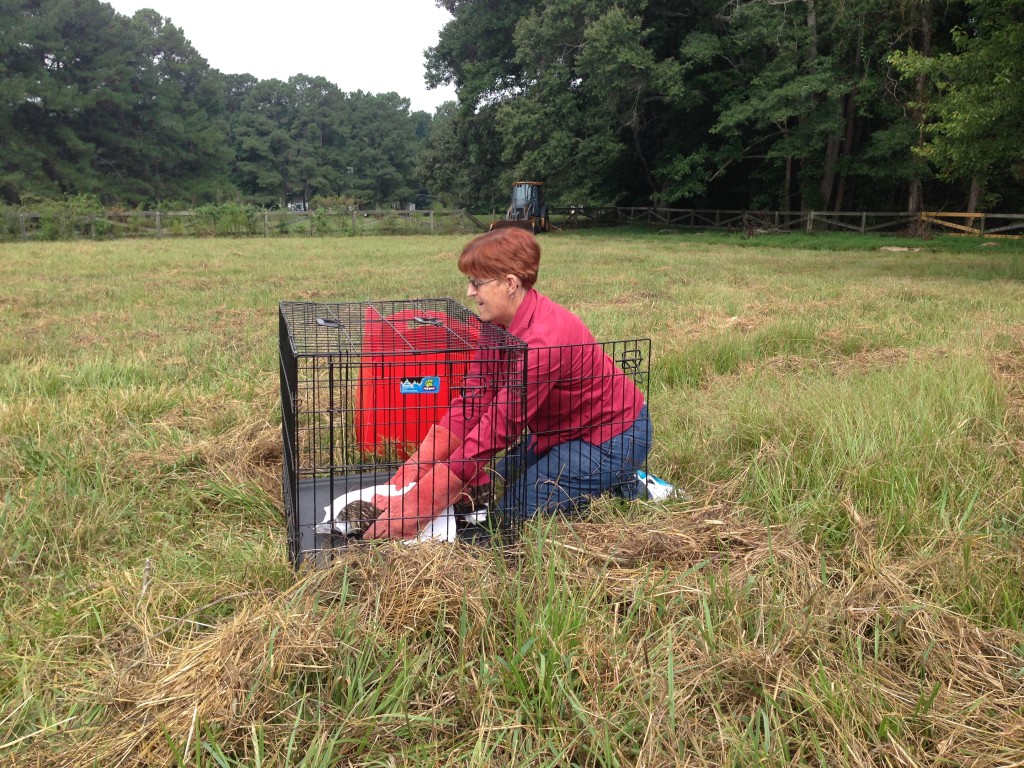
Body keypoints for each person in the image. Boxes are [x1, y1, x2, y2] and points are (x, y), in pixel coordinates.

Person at [363, 227, 651, 540]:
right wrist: (417, 467)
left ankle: (620, 479)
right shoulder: (496, 323)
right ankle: (603, 478)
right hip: (561, 432)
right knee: (503, 475)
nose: (470, 292)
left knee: (511, 512)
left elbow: (500, 426)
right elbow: (474, 398)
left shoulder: (543, 342)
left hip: (611, 435)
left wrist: (423, 501)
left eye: (476, 283)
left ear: (510, 284)